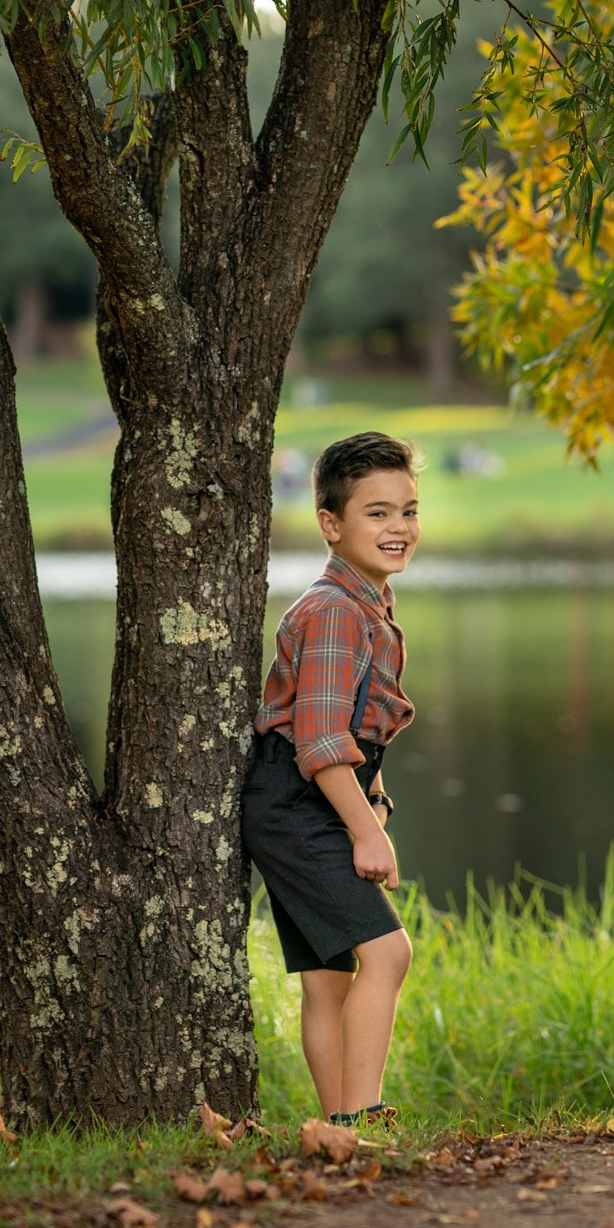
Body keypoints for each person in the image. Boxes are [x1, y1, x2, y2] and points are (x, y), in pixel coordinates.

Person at [244, 432, 421, 1128]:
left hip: (313, 797)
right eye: (377, 513)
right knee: (388, 952)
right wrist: (367, 830)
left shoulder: (368, 603)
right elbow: (319, 739)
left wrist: (373, 796)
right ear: (331, 523)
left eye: (408, 510)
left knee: (328, 977)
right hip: (297, 804)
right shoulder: (335, 611)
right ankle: (361, 1117)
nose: (399, 527)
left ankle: (337, 1126)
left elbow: (350, 726)